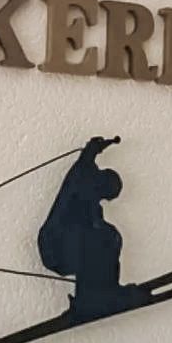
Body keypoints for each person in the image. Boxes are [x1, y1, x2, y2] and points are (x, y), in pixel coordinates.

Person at [37, 135, 139, 317]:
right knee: (101, 239)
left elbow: (87, 159)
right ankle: (91, 298)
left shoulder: (90, 194)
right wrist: (93, 149)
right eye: (107, 193)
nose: (104, 198)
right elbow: (84, 163)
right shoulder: (82, 180)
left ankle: (106, 290)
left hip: (71, 242)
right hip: (56, 245)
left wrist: (96, 149)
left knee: (107, 236)